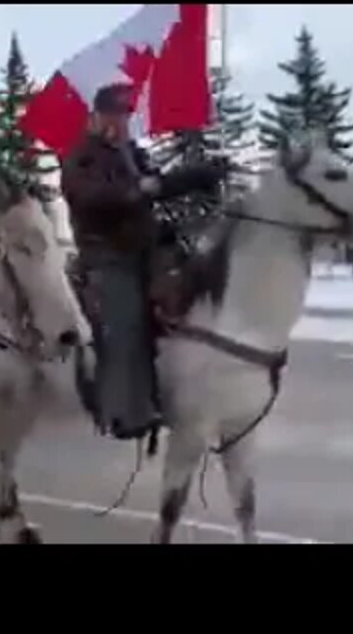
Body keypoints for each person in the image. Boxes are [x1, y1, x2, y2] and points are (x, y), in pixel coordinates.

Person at [60, 83, 229, 441]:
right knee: (127, 320)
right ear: (97, 116)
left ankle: (191, 388)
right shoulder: (81, 157)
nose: (122, 123)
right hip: (106, 254)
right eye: (115, 115)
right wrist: (138, 191)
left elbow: (159, 183)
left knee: (192, 292)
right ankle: (124, 410)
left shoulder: (129, 154)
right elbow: (88, 197)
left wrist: (198, 176)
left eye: (125, 116)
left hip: (146, 249)